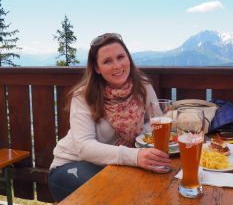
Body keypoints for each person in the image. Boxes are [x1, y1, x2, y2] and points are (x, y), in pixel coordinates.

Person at [48, 33, 171, 202]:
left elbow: (155, 120)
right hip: (71, 164)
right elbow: (85, 147)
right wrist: (135, 156)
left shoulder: (142, 85)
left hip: (119, 164)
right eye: (107, 61)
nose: (117, 66)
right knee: (119, 195)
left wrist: (142, 139)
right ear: (97, 68)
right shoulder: (83, 95)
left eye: (121, 57)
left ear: (128, 58)